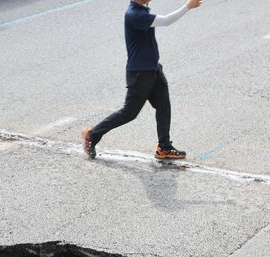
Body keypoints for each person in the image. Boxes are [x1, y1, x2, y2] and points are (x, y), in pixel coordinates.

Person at [82, 0, 202, 160]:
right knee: (129, 113)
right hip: (139, 75)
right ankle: (92, 135)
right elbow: (166, 21)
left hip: (154, 70)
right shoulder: (134, 15)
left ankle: (164, 147)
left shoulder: (142, 10)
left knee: (163, 106)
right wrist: (187, 6)